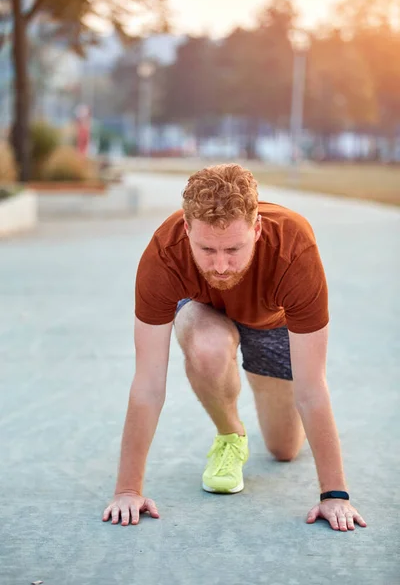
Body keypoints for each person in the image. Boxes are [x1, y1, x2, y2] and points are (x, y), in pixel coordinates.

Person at [103, 164, 367, 532]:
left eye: (234, 249)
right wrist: (128, 489)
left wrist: (334, 495)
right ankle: (231, 434)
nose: (221, 266)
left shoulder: (295, 246)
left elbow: (312, 386)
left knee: (284, 450)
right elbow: (147, 383)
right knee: (206, 344)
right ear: (186, 230)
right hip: (205, 313)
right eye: (207, 249)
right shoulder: (164, 253)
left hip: (272, 324)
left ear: (256, 229)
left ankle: (271, 395)